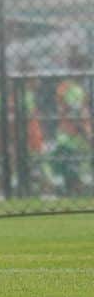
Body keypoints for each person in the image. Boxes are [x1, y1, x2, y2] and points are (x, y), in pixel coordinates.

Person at [51, 54, 93, 196]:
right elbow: (75, 112)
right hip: (75, 135)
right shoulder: (73, 89)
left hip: (66, 133)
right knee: (76, 169)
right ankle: (75, 190)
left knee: (73, 169)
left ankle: (73, 190)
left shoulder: (64, 86)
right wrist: (87, 134)